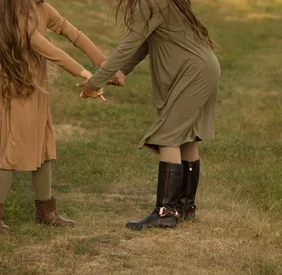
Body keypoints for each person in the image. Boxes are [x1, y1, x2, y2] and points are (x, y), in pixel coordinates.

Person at [0, 0, 124, 232]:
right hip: (8, 88)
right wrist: (87, 74)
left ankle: (47, 212)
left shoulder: (41, 7)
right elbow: (48, 49)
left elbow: (73, 34)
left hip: (32, 86)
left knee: (44, 145)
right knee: (11, 147)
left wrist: (105, 65)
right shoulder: (15, 14)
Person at [79, 0, 220, 230]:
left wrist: (94, 83)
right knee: (186, 135)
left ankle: (165, 213)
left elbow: (127, 46)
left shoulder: (150, 2)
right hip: (204, 67)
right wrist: (123, 70)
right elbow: (145, 43)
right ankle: (185, 207)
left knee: (168, 136)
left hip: (193, 72)